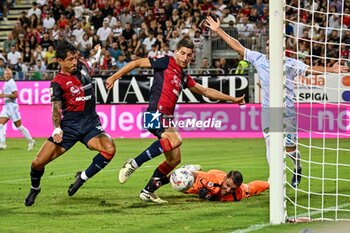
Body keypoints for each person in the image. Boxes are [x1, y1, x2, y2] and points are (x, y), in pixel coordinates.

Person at [205, 16, 349, 187]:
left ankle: (297, 167)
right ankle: (274, 177)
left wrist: (330, 69)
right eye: (267, 45)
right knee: (270, 141)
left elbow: (310, 70)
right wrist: (219, 31)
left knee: (290, 149)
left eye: (272, 45)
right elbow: (237, 46)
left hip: (287, 110)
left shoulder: (289, 63)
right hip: (269, 110)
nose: (269, 47)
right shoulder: (258, 59)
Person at [105, 38, 245, 203]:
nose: (185, 58)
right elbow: (136, 63)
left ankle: (148, 191)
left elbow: (206, 91)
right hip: (154, 113)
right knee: (176, 140)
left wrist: (232, 99)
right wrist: (114, 77)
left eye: (189, 55)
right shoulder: (165, 62)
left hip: (166, 118)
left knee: (174, 159)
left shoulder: (183, 76)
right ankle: (133, 164)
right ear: (176, 52)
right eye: (183, 53)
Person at [24, 40, 116, 206]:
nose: (74, 62)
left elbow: (93, 59)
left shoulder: (82, 66)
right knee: (37, 163)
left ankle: (81, 178)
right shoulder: (57, 83)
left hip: (90, 124)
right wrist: (57, 129)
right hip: (70, 127)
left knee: (109, 149)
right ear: (59, 61)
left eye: (75, 58)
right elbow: (56, 108)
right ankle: (35, 188)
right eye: (70, 59)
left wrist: (98, 51)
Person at [177, 165, 269, 202]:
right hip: (213, 176)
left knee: (249, 189)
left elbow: (219, 199)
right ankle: (193, 167)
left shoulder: (237, 194)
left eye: (233, 189)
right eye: (228, 185)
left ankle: (270, 183)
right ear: (225, 179)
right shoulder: (211, 178)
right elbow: (193, 175)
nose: (228, 190)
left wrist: (208, 196)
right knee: (184, 188)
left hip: (214, 186)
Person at [0, 68, 35, 150]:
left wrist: (4, 95)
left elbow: (15, 95)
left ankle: (31, 141)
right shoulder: (6, 83)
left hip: (12, 106)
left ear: (11, 75)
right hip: (6, 106)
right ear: (4, 75)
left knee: (19, 127)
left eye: (9, 74)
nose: (7, 75)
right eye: (6, 74)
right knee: (0, 125)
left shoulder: (12, 83)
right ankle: (2, 144)